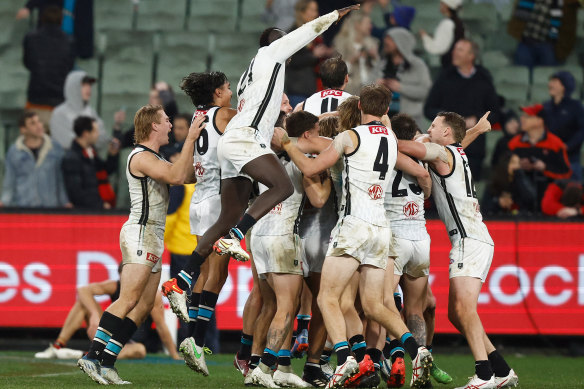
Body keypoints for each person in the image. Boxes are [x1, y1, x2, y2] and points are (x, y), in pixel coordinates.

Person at [160, 4, 360, 375]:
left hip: (235, 143)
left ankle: (182, 279)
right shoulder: (271, 54)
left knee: (228, 215)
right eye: (286, 44)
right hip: (245, 139)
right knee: (282, 185)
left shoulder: (251, 71)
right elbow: (308, 31)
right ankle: (236, 236)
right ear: (278, 44)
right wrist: (336, 15)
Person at [275, 84, 433, 388]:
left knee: (327, 297)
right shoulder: (390, 137)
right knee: (375, 305)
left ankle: (346, 359)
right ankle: (418, 349)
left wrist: (288, 143)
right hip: (381, 228)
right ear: (386, 110)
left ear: (359, 106)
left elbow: (310, 165)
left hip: (354, 225)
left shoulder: (349, 138)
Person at [76, 105, 205, 385]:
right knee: (129, 298)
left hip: (154, 235)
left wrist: (210, 167)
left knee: (146, 303)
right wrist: (192, 139)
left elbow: (186, 174)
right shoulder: (141, 156)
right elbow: (176, 177)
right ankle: (92, 355)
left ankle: (108, 363)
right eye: (167, 121)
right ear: (153, 126)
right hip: (141, 232)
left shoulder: (154, 157)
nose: (171, 125)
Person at [398, 111, 518, 389]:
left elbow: (408, 146)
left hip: (470, 241)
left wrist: (377, 139)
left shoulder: (441, 152)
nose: (428, 129)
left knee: (465, 309)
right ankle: (501, 371)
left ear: (447, 134)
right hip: (472, 239)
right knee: (456, 313)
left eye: (434, 126)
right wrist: (476, 129)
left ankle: (484, 375)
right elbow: (458, 142)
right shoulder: (454, 152)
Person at [247, 111, 332, 388]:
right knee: (288, 305)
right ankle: (264, 367)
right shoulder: (302, 159)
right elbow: (318, 199)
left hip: (258, 233)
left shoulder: (263, 155)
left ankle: (260, 365)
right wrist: (328, 176)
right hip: (283, 235)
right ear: (307, 134)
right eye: (317, 132)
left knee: (269, 304)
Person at [168, 71, 236, 372]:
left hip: (198, 199)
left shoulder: (198, 117)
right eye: (228, 87)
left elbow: (193, 172)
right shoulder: (224, 115)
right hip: (216, 204)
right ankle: (195, 341)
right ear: (218, 93)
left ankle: (192, 338)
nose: (231, 91)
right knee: (216, 276)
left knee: (207, 272)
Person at [35, 269, 180, 361]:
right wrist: (94, 316)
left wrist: (174, 355)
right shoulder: (116, 286)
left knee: (140, 350)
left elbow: (161, 326)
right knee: (82, 304)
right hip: (106, 334)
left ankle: (84, 354)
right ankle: (57, 346)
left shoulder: (150, 295)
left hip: (128, 343)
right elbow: (83, 290)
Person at [424, 39, 500, 181]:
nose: (454, 53)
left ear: (471, 56)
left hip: (474, 151)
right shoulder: (445, 77)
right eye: (454, 49)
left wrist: (476, 120)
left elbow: (495, 113)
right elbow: (428, 109)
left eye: (460, 50)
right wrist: (448, 121)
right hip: (445, 149)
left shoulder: (483, 79)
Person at [0, 111, 70, 208]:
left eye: (39, 121)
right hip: (24, 206)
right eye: (33, 123)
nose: (39, 126)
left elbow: (60, 178)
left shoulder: (55, 148)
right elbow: (10, 180)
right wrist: (4, 201)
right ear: (23, 130)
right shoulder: (14, 151)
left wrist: (65, 202)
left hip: (50, 206)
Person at [508, 104, 572, 209]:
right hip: (519, 201)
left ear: (540, 121)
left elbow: (566, 172)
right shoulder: (514, 143)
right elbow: (500, 169)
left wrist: (545, 168)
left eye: (527, 116)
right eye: (522, 116)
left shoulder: (555, 144)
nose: (522, 119)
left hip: (547, 200)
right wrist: (517, 166)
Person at [23, 5, 74, 130]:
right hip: (59, 101)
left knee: (34, 145)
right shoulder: (69, 41)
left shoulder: (30, 38)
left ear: (42, 19)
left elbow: (27, 63)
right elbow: (69, 67)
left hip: (36, 100)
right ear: (61, 21)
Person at [376, 28, 432, 129]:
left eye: (390, 39)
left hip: (409, 123)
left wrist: (401, 87)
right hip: (382, 122)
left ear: (401, 42)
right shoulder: (382, 63)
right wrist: (375, 86)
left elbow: (425, 91)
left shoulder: (418, 65)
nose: (386, 41)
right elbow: (365, 86)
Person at [61, 116, 119, 209]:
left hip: (94, 208)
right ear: (86, 134)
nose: (98, 134)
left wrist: (112, 155)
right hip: (84, 213)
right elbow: (76, 193)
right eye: (95, 131)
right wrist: (100, 205)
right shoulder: (72, 158)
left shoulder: (90, 152)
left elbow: (106, 170)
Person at [285, 0, 334, 107]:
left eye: (316, 10)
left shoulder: (316, 34)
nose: (315, 14)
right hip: (298, 90)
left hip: (314, 90)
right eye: (312, 10)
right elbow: (291, 61)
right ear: (301, 12)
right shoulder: (293, 34)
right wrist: (313, 56)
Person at [50, 70, 112, 151]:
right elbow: (67, 143)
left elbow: (103, 136)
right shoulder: (59, 113)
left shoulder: (90, 111)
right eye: (83, 85)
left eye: (89, 85)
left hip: (89, 159)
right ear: (72, 87)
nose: (88, 88)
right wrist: (93, 139)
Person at [508, 0, 580, 68]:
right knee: (521, 75)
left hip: (549, 45)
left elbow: (568, 25)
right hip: (526, 42)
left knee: (547, 76)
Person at [540, 71, 584, 181]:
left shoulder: (575, 106)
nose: (550, 84)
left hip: (570, 160)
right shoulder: (545, 107)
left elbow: (582, 130)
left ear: (564, 86)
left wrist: (567, 146)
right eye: (550, 81)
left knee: (571, 195)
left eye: (554, 81)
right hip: (549, 160)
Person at [333, 11, 380, 95]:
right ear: (357, 25)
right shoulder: (341, 43)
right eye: (368, 23)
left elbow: (378, 70)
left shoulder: (372, 43)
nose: (371, 26)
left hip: (370, 91)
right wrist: (352, 60)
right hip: (348, 91)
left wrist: (375, 57)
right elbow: (335, 72)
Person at [419, 0, 465, 67]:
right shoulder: (458, 22)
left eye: (442, 4)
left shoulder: (447, 24)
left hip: (449, 66)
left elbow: (438, 48)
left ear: (447, 6)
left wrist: (425, 37)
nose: (440, 6)